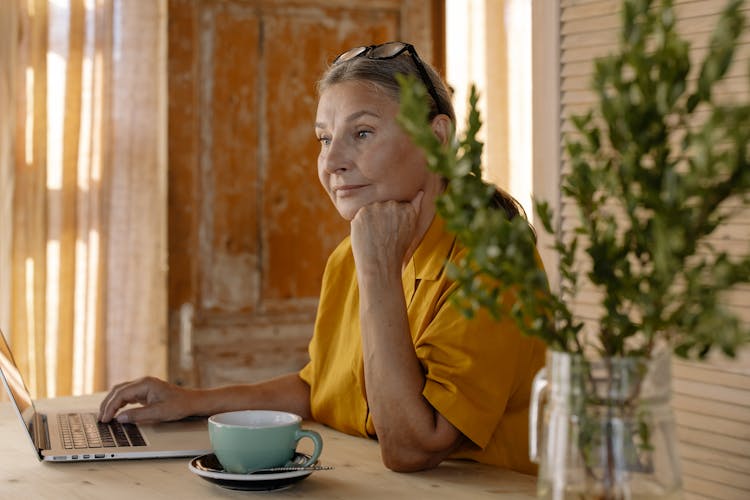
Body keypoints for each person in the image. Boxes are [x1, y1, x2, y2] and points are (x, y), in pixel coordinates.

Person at [99, 41, 546, 475]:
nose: (331, 160)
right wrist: (188, 400)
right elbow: (322, 388)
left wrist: (377, 272)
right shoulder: (350, 256)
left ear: (436, 138)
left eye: (363, 133)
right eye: (324, 138)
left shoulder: (492, 264)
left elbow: (414, 445)